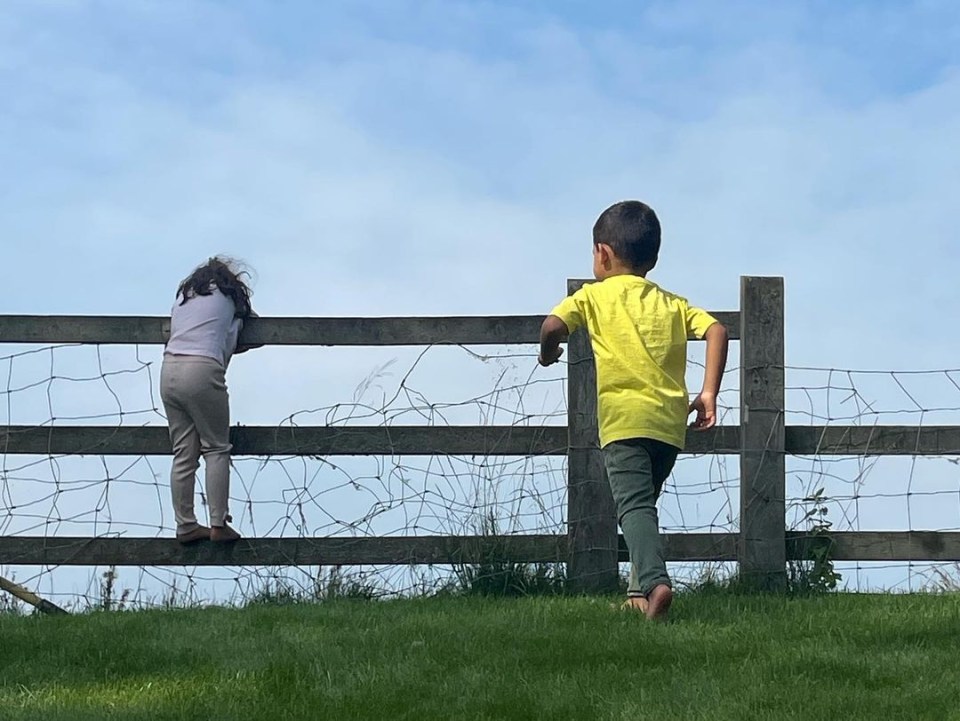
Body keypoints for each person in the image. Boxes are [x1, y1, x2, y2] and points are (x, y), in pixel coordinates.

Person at [539, 201, 729, 621]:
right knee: (642, 506)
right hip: (668, 426)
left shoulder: (592, 296)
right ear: (653, 259)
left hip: (624, 424)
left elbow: (552, 326)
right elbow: (717, 329)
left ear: (602, 254)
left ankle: (657, 584)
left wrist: (548, 353)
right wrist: (709, 392)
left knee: (633, 509)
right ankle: (637, 595)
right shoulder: (672, 303)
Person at [160, 257, 259, 544]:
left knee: (183, 453)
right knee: (216, 447)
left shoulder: (184, 297)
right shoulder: (230, 296)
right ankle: (218, 523)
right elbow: (247, 333)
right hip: (202, 369)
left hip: (169, 370)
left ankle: (186, 524)